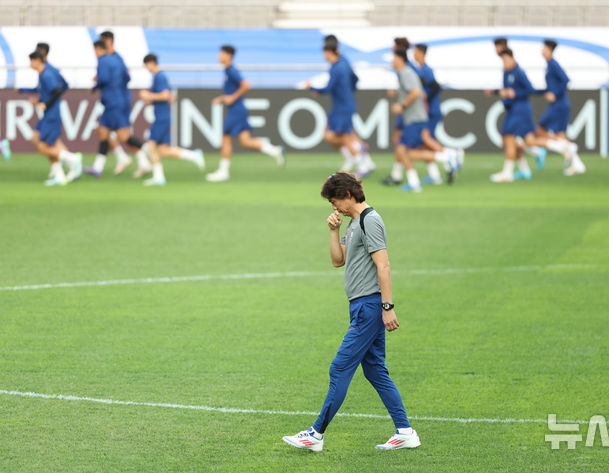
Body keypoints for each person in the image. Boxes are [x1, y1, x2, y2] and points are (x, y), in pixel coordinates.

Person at [282, 172, 421, 452]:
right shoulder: (354, 223)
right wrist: (333, 231)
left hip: (369, 307)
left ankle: (316, 433)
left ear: (347, 194)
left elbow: (384, 266)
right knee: (375, 371)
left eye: (335, 202)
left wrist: (387, 307)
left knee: (340, 367)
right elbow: (338, 261)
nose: (334, 208)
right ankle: (405, 431)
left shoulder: (370, 221)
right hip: (359, 305)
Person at [485, 49, 575, 183]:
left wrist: (515, 93)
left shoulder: (519, 72)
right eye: (502, 60)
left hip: (520, 111)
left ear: (512, 58)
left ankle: (508, 172)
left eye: (505, 60)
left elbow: (529, 89)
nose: (504, 63)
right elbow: (508, 91)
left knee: (508, 137)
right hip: (513, 110)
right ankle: (558, 145)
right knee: (529, 140)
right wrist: (496, 92)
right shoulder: (506, 73)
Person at [206, 45, 285, 182]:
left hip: (236, 110)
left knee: (226, 137)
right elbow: (232, 92)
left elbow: (246, 85)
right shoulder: (227, 71)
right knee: (245, 141)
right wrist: (223, 98)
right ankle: (274, 150)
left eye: (221, 53)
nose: (219, 56)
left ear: (228, 55)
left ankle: (223, 171)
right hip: (239, 109)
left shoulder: (231, 70)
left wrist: (232, 98)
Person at [305, 35, 375, 177]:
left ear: (330, 51)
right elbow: (355, 79)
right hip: (345, 104)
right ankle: (362, 157)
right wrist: (348, 91)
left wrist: (313, 88)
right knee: (343, 135)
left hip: (342, 108)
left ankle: (361, 162)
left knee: (340, 137)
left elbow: (329, 87)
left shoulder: (336, 68)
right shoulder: (344, 61)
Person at [389, 49, 458, 192]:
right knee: (409, 149)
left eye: (393, 57)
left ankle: (445, 157)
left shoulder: (406, 73)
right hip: (417, 118)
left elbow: (415, 92)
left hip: (414, 119)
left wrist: (401, 105)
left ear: (400, 59)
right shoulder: (406, 73)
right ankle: (423, 177)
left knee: (403, 150)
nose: (391, 61)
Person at [85, 38, 150, 178]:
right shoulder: (118, 60)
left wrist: (95, 86)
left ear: (98, 48)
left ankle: (146, 150)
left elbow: (103, 78)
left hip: (113, 103)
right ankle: (98, 167)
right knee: (103, 132)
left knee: (123, 136)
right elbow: (127, 77)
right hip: (121, 100)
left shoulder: (102, 60)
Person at [139, 54, 205, 186]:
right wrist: (150, 100)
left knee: (151, 146)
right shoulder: (159, 77)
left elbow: (165, 96)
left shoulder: (160, 77)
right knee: (163, 150)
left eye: (146, 65)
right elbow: (171, 97)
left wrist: (148, 95)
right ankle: (193, 156)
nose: (146, 68)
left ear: (151, 63)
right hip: (163, 116)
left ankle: (159, 177)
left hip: (162, 118)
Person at [27, 51, 83, 186]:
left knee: (43, 146)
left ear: (37, 61)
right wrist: (40, 102)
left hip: (51, 115)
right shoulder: (42, 75)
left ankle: (72, 158)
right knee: (45, 142)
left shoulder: (46, 75)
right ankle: (59, 175)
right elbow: (50, 93)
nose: (30, 64)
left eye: (31, 61)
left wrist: (46, 104)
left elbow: (57, 90)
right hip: (48, 115)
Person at [535, 39, 585, 176]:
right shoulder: (549, 65)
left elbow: (565, 80)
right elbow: (550, 87)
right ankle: (572, 156)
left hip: (559, 104)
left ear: (549, 49)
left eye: (543, 48)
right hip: (558, 104)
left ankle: (568, 150)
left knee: (542, 129)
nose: (541, 50)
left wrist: (554, 94)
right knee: (557, 134)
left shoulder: (553, 64)